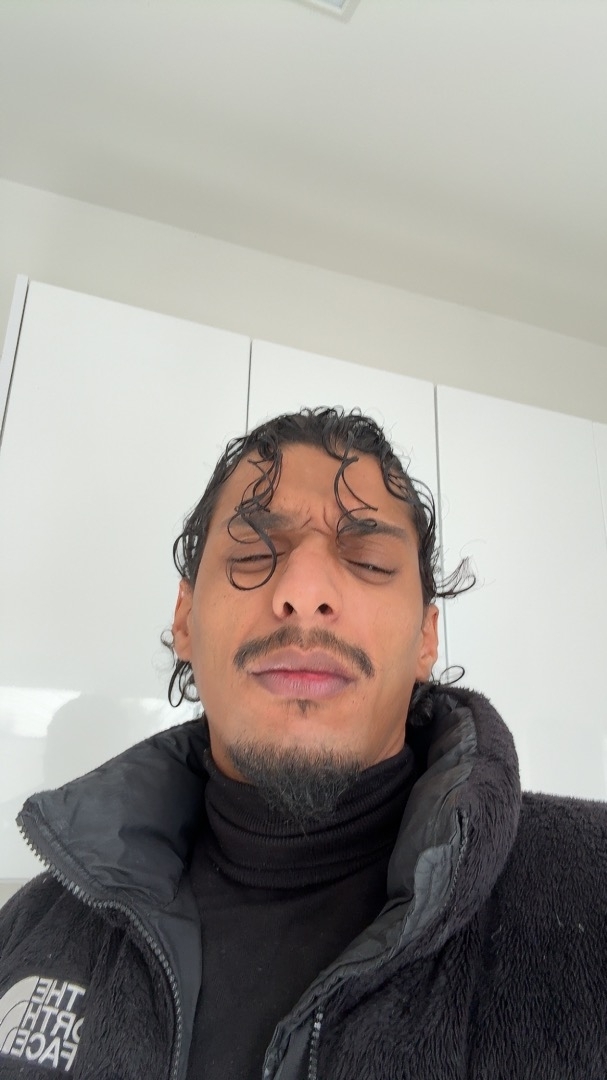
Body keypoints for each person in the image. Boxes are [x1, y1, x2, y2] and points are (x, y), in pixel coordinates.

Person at [1, 406, 606, 1080]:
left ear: (426, 638)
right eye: (254, 554)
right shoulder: (33, 925)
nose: (303, 591)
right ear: (185, 619)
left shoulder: (593, 888)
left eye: (367, 560)